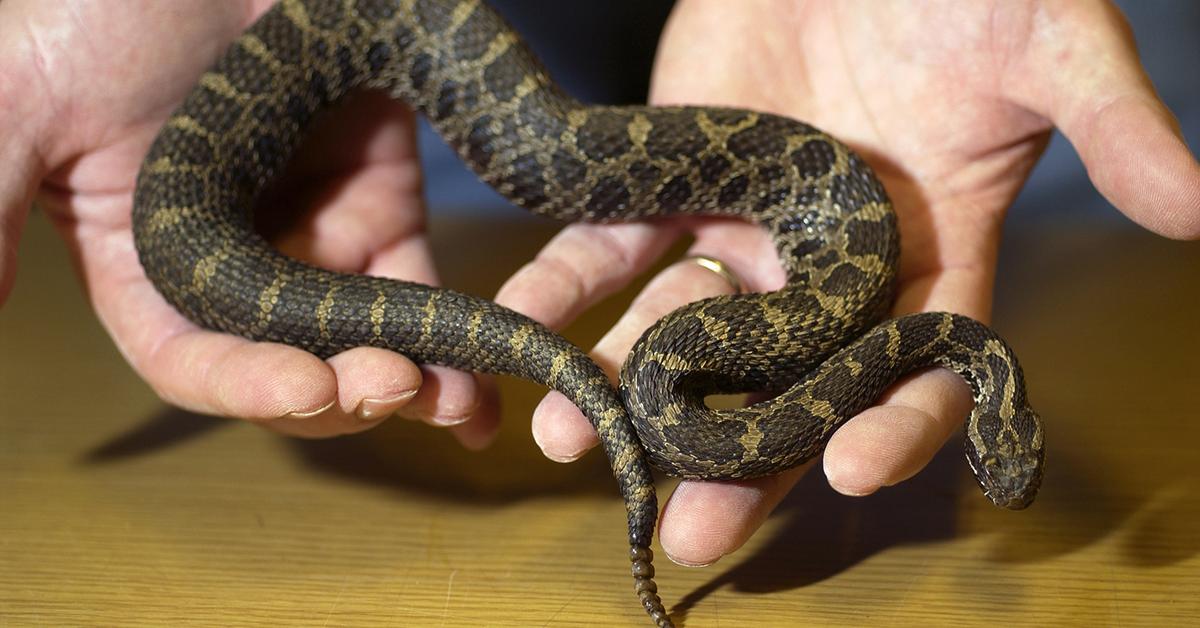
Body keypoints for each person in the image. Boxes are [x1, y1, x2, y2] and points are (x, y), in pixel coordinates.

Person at [0, 0, 1196, 571]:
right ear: (1005, 416)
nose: (996, 478)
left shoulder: (912, 318)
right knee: (542, 177)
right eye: (1000, 459)